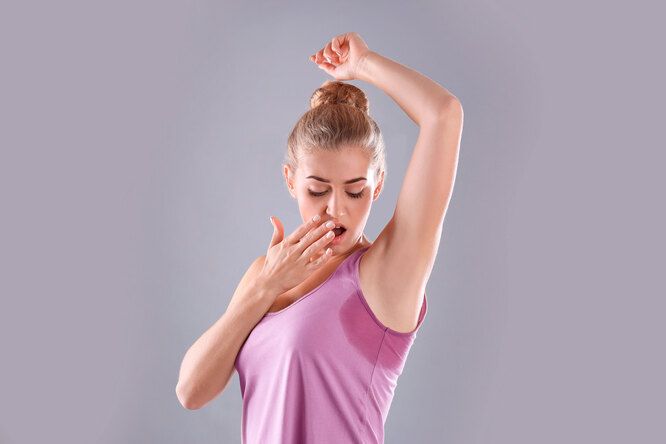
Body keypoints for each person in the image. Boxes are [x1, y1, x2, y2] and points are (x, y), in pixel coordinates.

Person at [176, 32, 464, 443]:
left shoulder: (384, 274)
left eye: (355, 191)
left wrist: (362, 65)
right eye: (317, 190)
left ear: (378, 186)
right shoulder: (265, 273)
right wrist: (266, 286)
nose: (335, 208)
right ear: (290, 180)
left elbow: (444, 115)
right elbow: (191, 391)